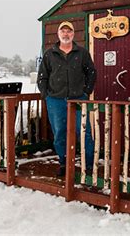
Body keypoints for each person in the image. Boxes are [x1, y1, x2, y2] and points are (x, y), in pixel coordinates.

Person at [37, 21, 96, 176]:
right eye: (63, 31)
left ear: (73, 34)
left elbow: (92, 73)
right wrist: (46, 95)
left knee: (85, 133)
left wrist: (86, 91)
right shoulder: (50, 54)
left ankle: (88, 166)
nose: (66, 34)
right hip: (55, 101)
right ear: (58, 34)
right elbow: (42, 77)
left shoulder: (82, 53)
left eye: (69, 31)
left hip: (78, 100)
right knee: (59, 133)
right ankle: (64, 163)